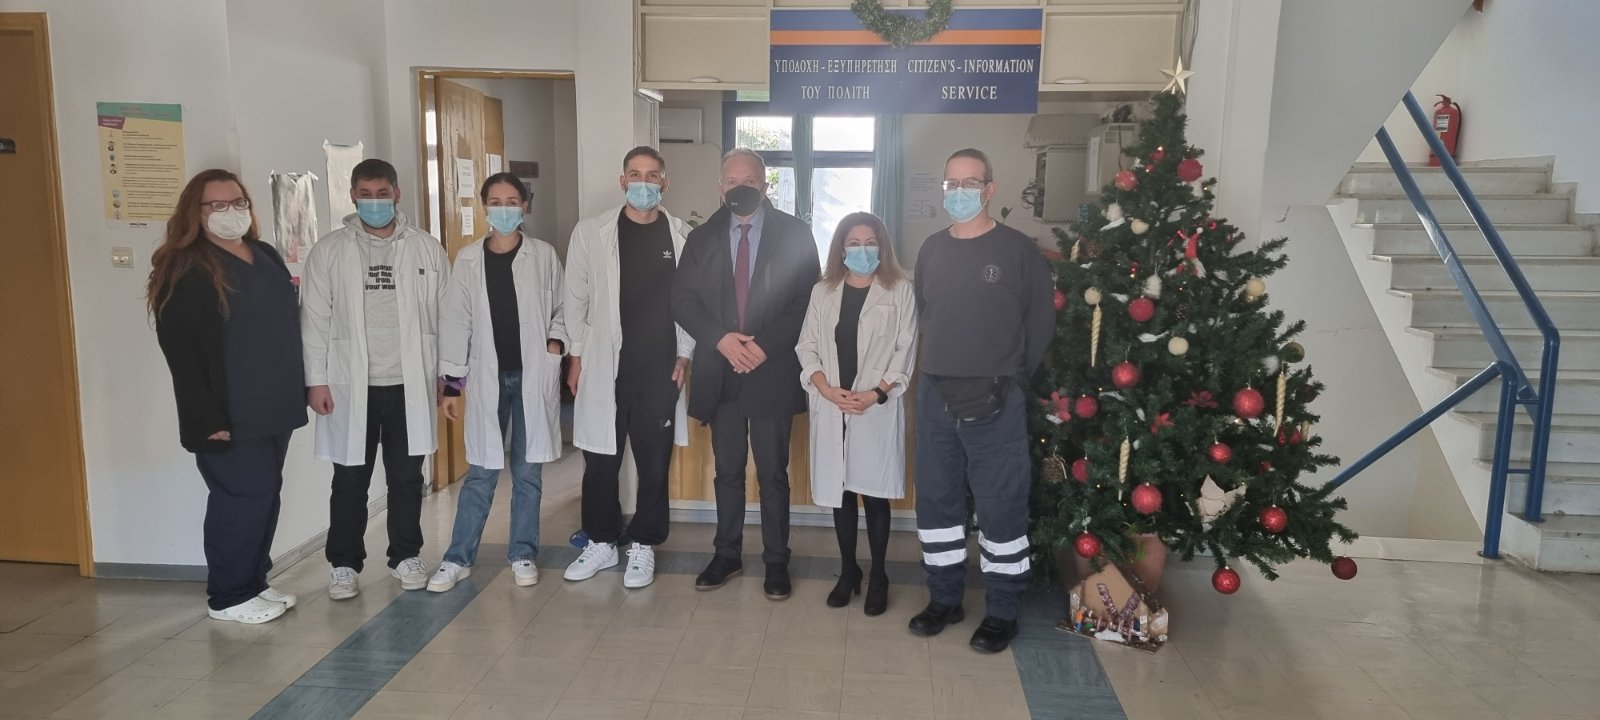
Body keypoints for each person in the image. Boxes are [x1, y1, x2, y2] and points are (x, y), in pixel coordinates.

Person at [910, 149, 1055, 653]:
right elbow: (927, 311)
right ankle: (944, 598)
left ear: (990, 189)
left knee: (1001, 504)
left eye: (969, 183)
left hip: (997, 397)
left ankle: (1002, 611)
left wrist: (1010, 377)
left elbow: (1040, 322)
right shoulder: (931, 249)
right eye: (951, 183)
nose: (959, 192)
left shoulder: (1017, 251)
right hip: (935, 394)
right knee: (937, 500)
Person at [150, 169, 306, 624]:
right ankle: (228, 595)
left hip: (273, 404)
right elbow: (181, 354)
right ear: (195, 213)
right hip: (228, 412)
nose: (230, 212)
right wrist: (205, 418)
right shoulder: (187, 268)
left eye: (238, 202)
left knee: (265, 495)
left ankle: (253, 581)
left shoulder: (264, 254)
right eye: (216, 205)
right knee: (240, 497)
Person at [673, 148, 821, 600]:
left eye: (750, 181)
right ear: (720, 188)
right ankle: (727, 553)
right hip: (721, 371)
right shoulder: (702, 238)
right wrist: (720, 340)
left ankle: (776, 559)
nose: (741, 188)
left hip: (771, 369)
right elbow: (682, 300)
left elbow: (806, 301)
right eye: (733, 181)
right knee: (728, 471)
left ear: (765, 184)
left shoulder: (795, 234)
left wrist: (761, 346)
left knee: (774, 473)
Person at [301, 158, 450, 600]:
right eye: (365, 195)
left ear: (396, 194)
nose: (374, 202)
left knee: (406, 478)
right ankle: (344, 565)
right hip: (350, 386)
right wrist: (316, 380)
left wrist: (449, 377)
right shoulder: (329, 250)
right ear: (352, 196)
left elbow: (447, 316)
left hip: (410, 382)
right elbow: (313, 321)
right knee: (350, 480)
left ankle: (405, 555)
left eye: (382, 194)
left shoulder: (426, 248)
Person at [427, 173, 567, 593]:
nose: (503, 209)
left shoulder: (543, 255)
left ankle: (522, 553)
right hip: (487, 376)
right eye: (495, 201)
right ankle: (457, 558)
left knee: (527, 472)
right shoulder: (468, 259)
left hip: (531, 375)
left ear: (524, 205)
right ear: (484, 206)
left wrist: (555, 342)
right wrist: (453, 386)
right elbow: (457, 322)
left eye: (511, 201)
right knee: (481, 472)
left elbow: (563, 307)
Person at [562, 146, 694, 589]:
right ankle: (601, 541)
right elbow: (575, 298)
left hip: (660, 368)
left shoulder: (681, 236)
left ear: (664, 183)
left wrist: (685, 354)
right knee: (601, 460)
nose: (643, 183)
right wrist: (576, 356)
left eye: (652, 175)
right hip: (604, 366)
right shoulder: (591, 232)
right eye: (635, 175)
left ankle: (644, 543)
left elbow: (689, 302)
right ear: (622, 182)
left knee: (654, 463)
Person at [796, 212, 917, 616]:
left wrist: (876, 394)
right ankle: (849, 571)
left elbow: (905, 349)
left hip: (874, 407)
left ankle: (879, 574)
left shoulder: (899, 290)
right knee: (842, 494)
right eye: (854, 243)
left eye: (870, 243)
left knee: (875, 495)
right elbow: (806, 346)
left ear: (882, 247)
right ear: (841, 248)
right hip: (833, 403)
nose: (862, 250)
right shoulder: (823, 291)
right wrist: (826, 390)